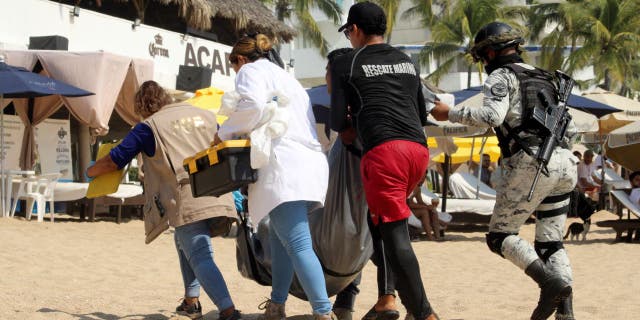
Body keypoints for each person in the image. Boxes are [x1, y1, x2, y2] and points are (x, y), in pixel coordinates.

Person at [431, 22, 579, 320]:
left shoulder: (501, 76)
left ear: (489, 52)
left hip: (533, 163)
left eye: (481, 56)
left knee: (500, 236)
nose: (483, 62)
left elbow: (491, 116)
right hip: (565, 162)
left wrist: (449, 113)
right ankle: (566, 313)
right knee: (551, 242)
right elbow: (572, 130)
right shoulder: (547, 78)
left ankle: (549, 284)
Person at [87, 81, 241, 320]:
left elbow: (115, 159)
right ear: (165, 98)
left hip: (186, 195)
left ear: (142, 107)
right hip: (220, 190)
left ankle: (228, 310)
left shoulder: (148, 127)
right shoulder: (205, 115)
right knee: (182, 240)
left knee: (200, 254)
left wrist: (90, 171)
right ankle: (191, 301)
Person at [330, 2, 438, 320]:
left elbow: (338, 121)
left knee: (395, 236)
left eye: (349, 31)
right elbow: (420, 113)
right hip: (418, 152)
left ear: (357, 30)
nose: (349, 38)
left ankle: (424, 313)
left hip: (384, 153)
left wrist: (355, 123)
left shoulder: (348, 63)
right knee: (379, 225)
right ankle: (387, 300)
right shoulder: (406, 61)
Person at [213, 34, 333, 320]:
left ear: (239, 60)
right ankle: (277, 304)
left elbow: (252, 106)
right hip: (309, 163)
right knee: (280, 239)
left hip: (282, 166)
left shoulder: (250, 71)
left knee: (298, 243)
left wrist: (223, 133)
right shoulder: (286, 77)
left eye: (234, 67)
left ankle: (323, 311)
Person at [325, 47, 398, 320]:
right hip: (360, 185)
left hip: (358, 187)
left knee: (372, 243)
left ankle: (406, 302)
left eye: (327, 71)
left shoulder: (350, 102)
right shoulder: (368, 97)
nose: (326, 77)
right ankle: (349, 303)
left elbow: (346, 138)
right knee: (368, 243)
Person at [407, 175, 445, 241]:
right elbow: (409, 204)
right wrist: (426, 207)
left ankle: (437, 236)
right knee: (424, 211)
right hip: (406, 210)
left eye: (424, 177)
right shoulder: (410, 187)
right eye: (421, 177)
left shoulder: (418, 189)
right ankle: (430, 236)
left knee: (432, 211)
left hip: (412, 210)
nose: (423, 179)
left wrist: (430, 207)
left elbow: (420, 202)